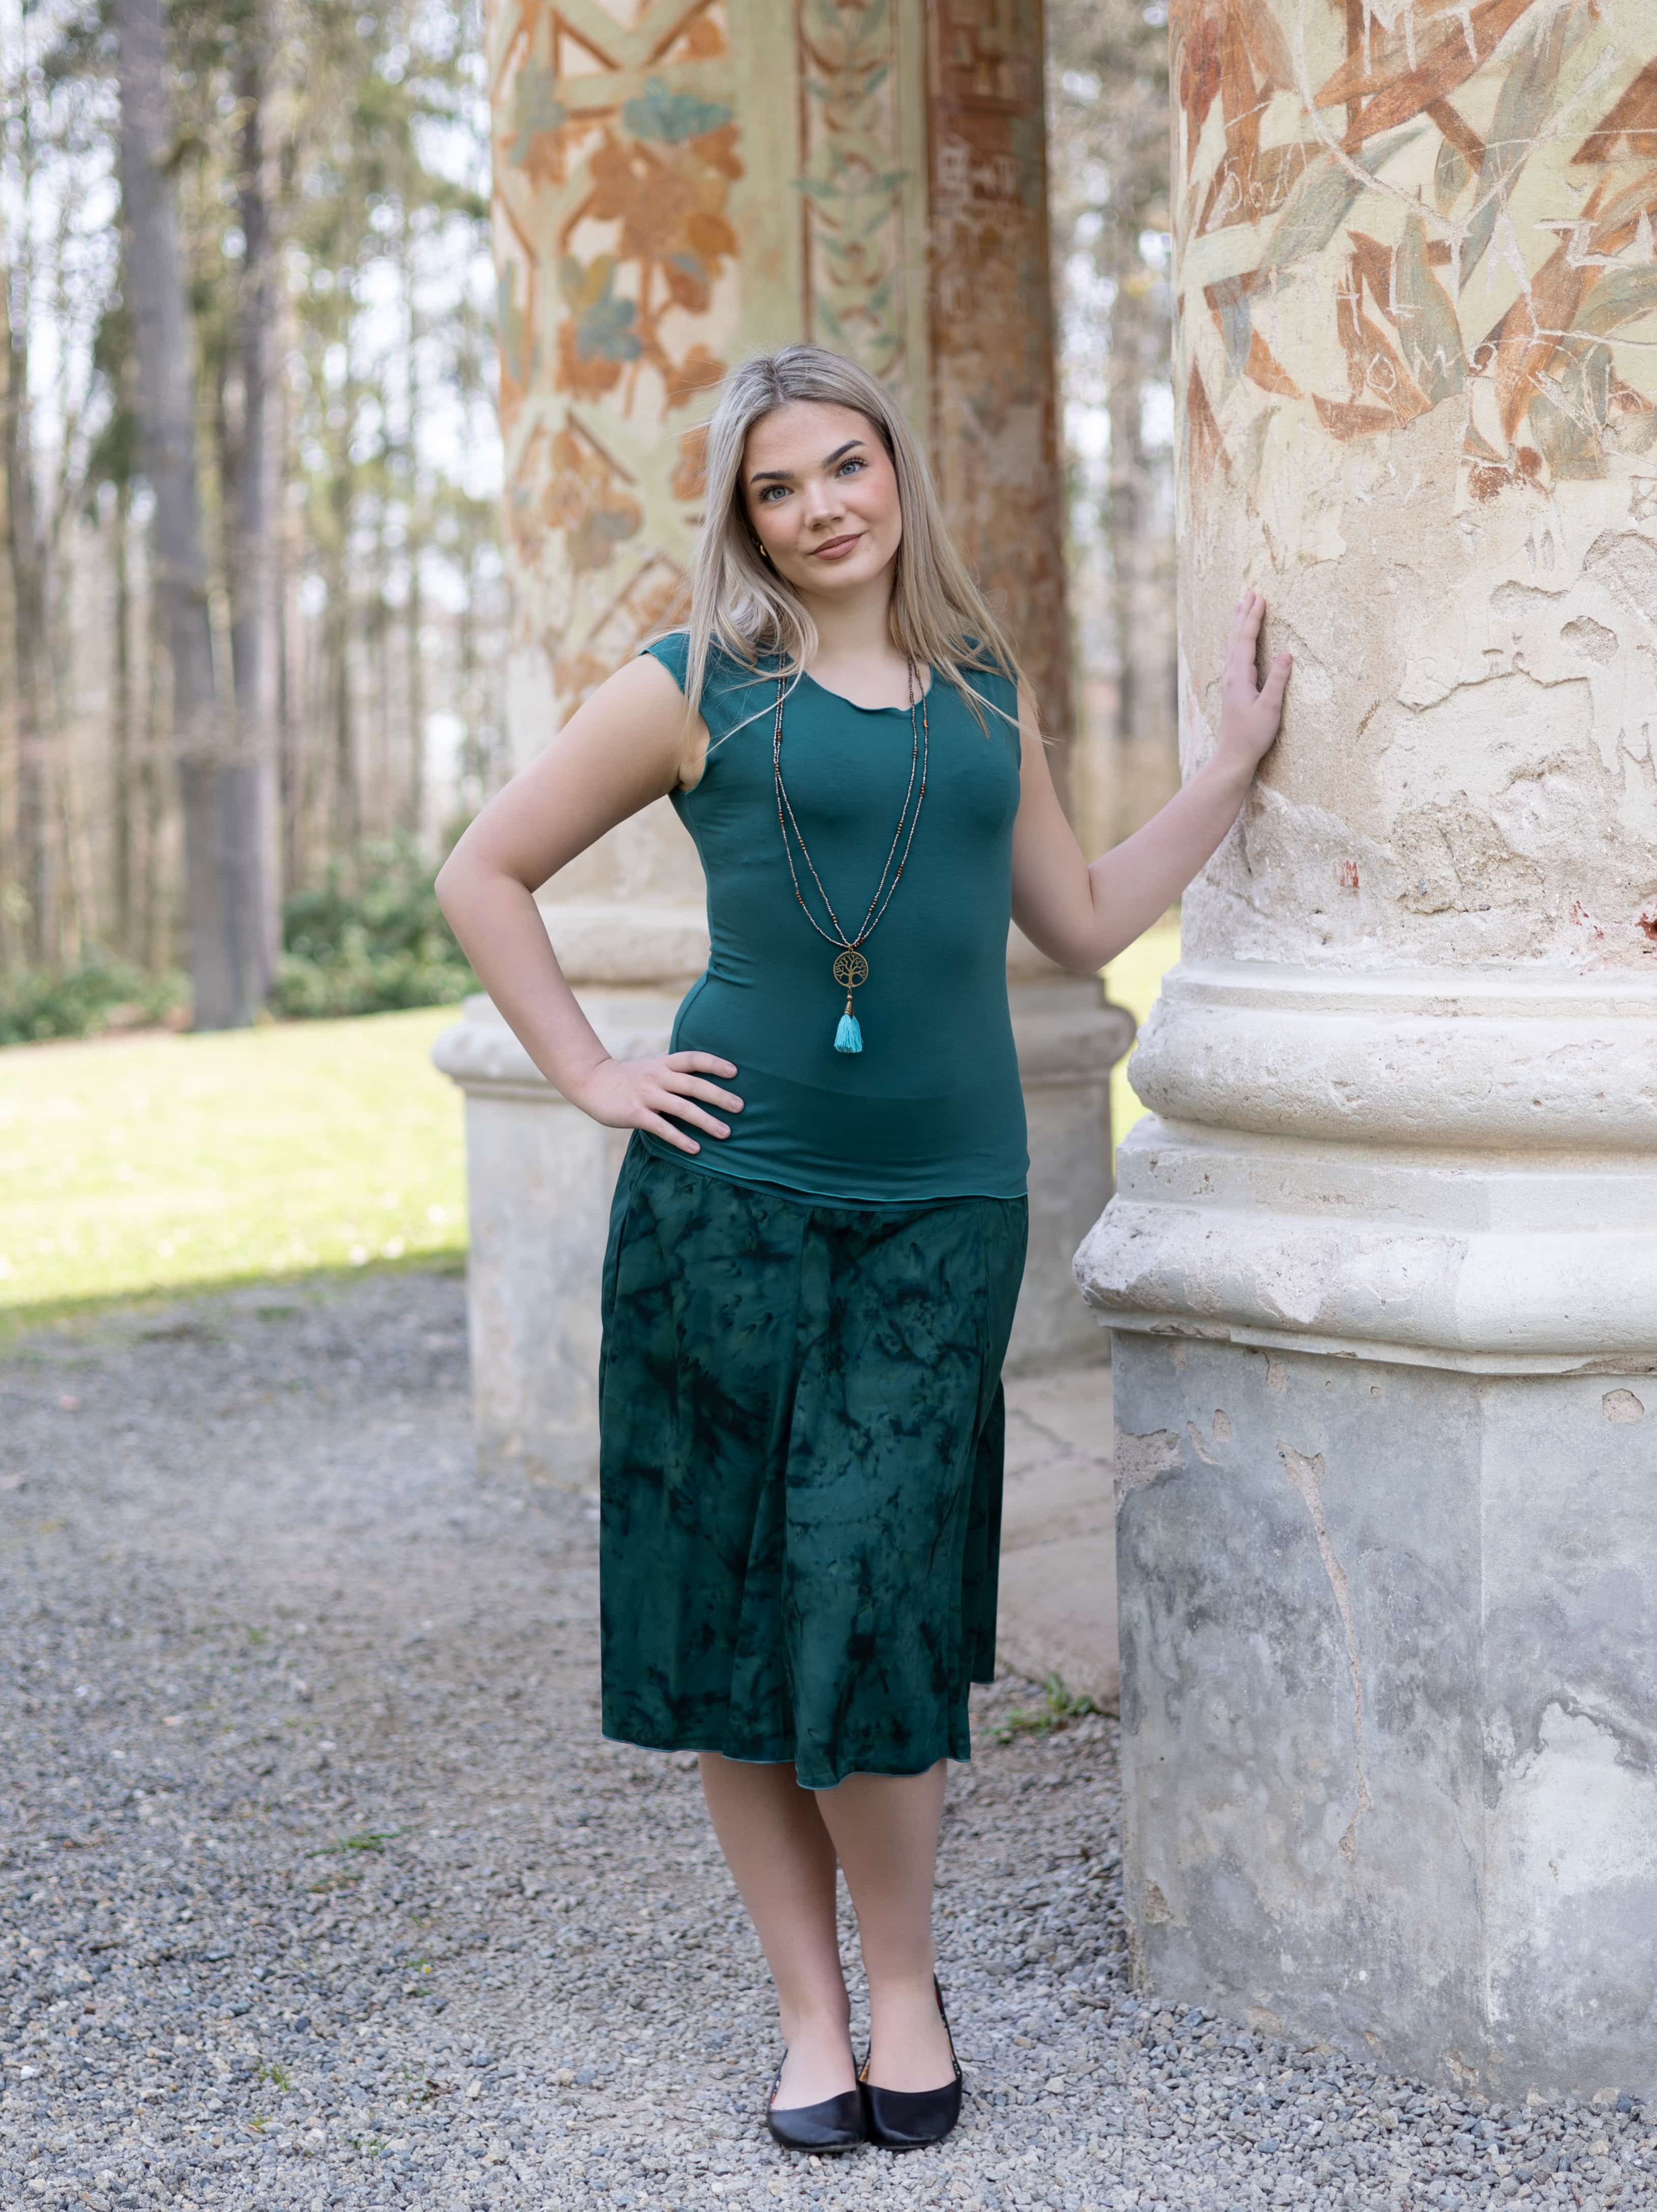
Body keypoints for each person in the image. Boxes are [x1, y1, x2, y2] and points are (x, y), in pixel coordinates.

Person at [435, 344, 1290, 2155]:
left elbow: (1080, 921)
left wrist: (1227, 767)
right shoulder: (693, 687)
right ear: (744, 520)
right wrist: (591, 1071)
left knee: (875, 1599)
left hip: (942, 1217)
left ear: (895, 471)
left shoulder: (984, 692)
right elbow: (481, 871)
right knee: (738, 1621)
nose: (821, 506)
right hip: (724, 1207)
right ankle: (809, 2015)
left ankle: (907, 1988)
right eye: (778, 486)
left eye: (845, 465)